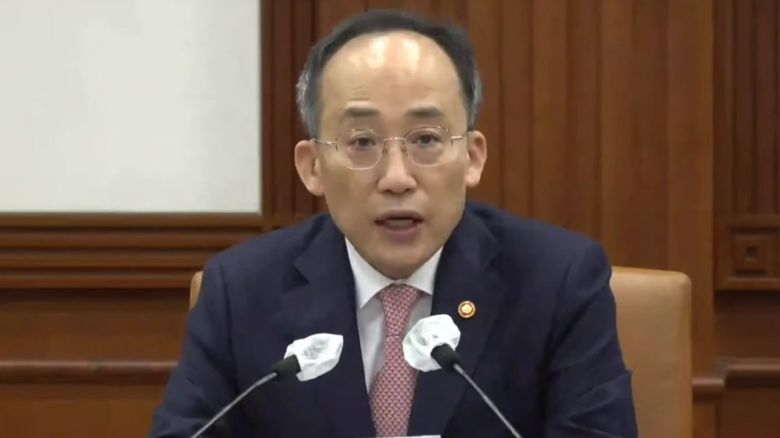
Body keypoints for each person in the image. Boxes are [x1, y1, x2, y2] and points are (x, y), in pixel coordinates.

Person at [150, 9, 637, 437]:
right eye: (362, 142)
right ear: (312, 167)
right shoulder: (241, 292)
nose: (397, 178)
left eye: (425, 139)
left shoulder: (557, 282)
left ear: (471, 157)